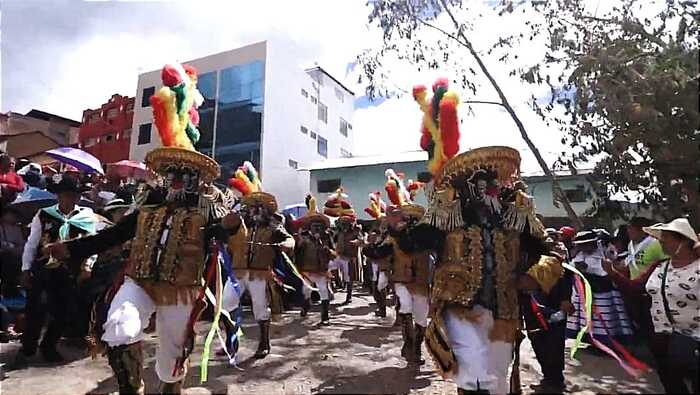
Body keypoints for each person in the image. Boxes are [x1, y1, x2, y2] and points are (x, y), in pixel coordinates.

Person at [48, 62, 239, 393]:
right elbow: (114, 235)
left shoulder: (206, 208)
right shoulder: (147, 206)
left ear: (195, 179)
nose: (177, 178)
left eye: (184, 173)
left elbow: (221, 232)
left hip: (181, 289)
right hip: (138, 280)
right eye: (172, 172)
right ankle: (130, 389)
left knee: (172, 356)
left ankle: (170, 387)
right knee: (119, 329)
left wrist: (230, 225)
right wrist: (71, 249)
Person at [604, 218, 699, 393]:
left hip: (694, 341)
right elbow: (636, 288)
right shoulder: (660, 266)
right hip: (661, 339)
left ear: (684, 240)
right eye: (660, 237)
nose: (661, 241)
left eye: (666, 238)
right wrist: (612, 273)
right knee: (670, 381)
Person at [17, 176, 97, 364]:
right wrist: (25, 269)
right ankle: (28, 346)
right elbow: (31, 244)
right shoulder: (43, 214)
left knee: (63, 311)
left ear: (78, 198)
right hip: (43, 270)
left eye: (73, 196)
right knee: (36, 308)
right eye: (65, 195)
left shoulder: (87, 216)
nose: (69, 199)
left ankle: (49, 346)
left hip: (70, 272)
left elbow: (92, 243)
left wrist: (88, 265)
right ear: (59, 196)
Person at [224, 161, 295, 360]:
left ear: (266, 210)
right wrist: (234, 214)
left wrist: (287, 245)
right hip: (237, 272)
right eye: (252, 206)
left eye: (259, 207)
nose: (255, 210)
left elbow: (289, 239)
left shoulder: (273, 226)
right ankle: (232, 341)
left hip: (260, 274)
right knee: (224, 306)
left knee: (260, 308)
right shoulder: (239, 223)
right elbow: (224, 227)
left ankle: (264, 343)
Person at [365, 202, 431, 365]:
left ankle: (416, 346)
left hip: (421, 284)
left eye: (414, 219)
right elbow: (379, 253)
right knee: (406, 308)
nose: (410, 221)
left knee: (422, 319)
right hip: (401, 281)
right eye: (408, 218)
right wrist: (368, 246)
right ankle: (411, 346)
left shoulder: (428, 239)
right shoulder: (392, 238)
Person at [566, 231, 633, 348]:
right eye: (581, 245)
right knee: (588, 318)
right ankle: (592, 341)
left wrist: (592, 269)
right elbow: (572, 268)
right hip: (585, 291)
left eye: (587, 244)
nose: (585, 247)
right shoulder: (579, 254)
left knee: (605, 318)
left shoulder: (606, 252)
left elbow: (610, 267)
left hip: (604, 291)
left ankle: (608, 343)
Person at [295, 194, 334, 325]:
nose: (317, 228)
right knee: (306, 291)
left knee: (323, 292)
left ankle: (325, 317)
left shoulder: (327, 238)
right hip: (306, 271)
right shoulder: (304, 238)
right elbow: (297, 251)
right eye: (314, 225)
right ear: (310, 227)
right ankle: (305, 307)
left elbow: (334, 253)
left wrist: (327, 250)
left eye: (319, 226)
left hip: (321, 270)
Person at [325, 189, 361, 305]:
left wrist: (357, 241)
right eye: (341, 222)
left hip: (349, 257)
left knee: (348, 278)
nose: (343, 224)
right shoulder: (338, 231)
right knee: (325, 268)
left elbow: (361, 240)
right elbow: (333, 240)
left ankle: (349, 296)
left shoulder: (356, 230)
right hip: (338, 255)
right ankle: (328, 290)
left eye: (345, 222)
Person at [0, 207, 25, 298]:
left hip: (16, 255)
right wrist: (10, 246)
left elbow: (21, 243)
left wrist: (16, 249)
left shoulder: (17, 228)